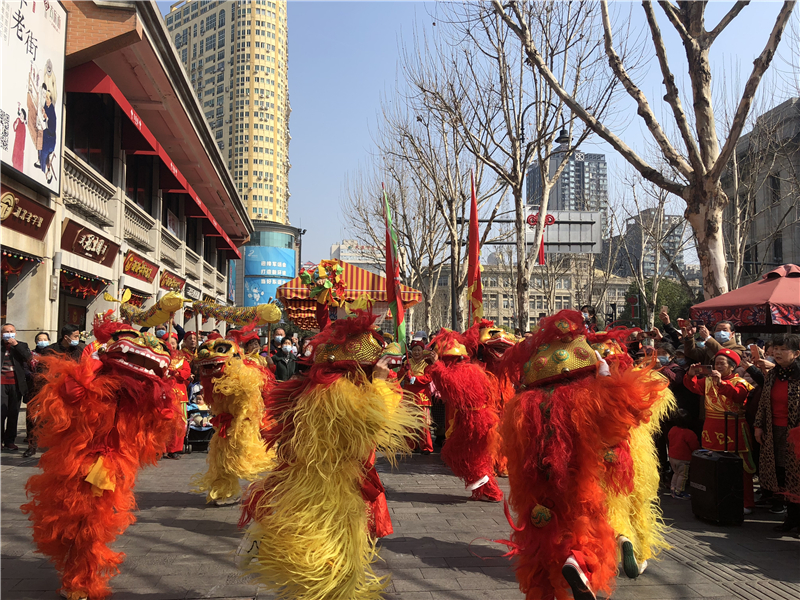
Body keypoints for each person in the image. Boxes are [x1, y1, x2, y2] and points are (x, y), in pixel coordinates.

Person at [236, 311, 424, 599]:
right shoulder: (337, 392)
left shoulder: (324, 387)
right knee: (334, 565)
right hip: (329, 492)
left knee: (329, 563)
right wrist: (381, 382)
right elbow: (372, 422)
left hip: (322, 485)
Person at [21, 317, 179, 600]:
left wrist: (163, 398)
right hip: (77, 462)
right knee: (73, 524)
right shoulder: (88, 377)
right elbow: (68, 397)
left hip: (113, 465)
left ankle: (80, 580)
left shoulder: (140, 394)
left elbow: (159, 423)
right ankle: (77, 576)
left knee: (93, 527)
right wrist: (90, 370)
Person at [683, 348, 756, 512]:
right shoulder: (707, 380)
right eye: (716, 363)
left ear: (732, 367)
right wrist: (690, 374)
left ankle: (747, 502)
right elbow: (692, 386)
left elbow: (737, 396)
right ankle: (713, 498)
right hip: (712, 427)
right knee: (711, 464)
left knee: (742, 466)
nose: (718, 366)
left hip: (733, 427)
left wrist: (720, 383)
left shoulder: (740, 383)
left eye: (722, 363)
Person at [753, 334, 800, 533]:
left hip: (796, 433)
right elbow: (764, 401)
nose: (777, 352)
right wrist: (759, 425)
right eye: (776, 348)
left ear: (796, 353)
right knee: (783, 475)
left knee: (798, 476)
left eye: (783, 349)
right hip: (775, 431)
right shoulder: (774, 374)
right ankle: (791, 518)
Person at [398, 340, 435, 454]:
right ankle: (410, 446)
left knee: (423, 424)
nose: (416, 352)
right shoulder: (407, 363)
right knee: (409, 423)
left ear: (422, 351)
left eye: (418, 350)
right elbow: (399, 376)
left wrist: (415, 379)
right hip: (409, 396)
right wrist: (404, 370)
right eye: (414, 350)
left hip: (422, 397)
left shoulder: (427, 364)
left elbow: (428, 378)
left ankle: (426, 447)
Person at [2, 323, 32, 451]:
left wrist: (16, 345)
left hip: (16, 383)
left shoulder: (21, 345)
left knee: (13, 413)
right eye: (6, 331)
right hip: (1, 383)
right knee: (1, 413)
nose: (9, 333)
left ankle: (10, 441)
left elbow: (28, 358)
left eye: (11, 331)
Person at [22, 332, 50, 458]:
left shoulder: (52, 354)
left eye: (45, 339)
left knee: (47, 416)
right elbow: (25, 368)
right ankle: (31, 445)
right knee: (31, 416)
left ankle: (45, 441)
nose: (42, 341)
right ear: (36, 341)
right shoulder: (31, 355)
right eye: (40, 339)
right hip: (33, 388)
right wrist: (33, 376)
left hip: (49, 389)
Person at [668, 411, 701, 498]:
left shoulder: (672, 429)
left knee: (676, 473)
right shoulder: (689, 434)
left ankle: (673, 489)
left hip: (672, 457)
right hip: (683, 459)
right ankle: (679, 491)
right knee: (683, 475)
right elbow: (695, 446)